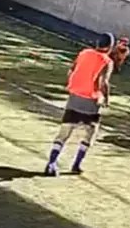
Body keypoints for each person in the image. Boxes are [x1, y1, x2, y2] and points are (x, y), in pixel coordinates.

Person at [44, 32, 114, 177]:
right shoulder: (106, 61)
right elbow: (103, 83)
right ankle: (76, 165)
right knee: (90, 133)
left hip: (74, 98)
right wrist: (106, 99)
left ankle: (51, 163)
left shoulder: (84, 53)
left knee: (64, 133)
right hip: (91, 102)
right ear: (110, 47)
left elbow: (71, 71)